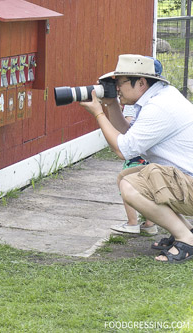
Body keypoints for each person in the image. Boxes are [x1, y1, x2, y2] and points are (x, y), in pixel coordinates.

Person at [80, 54, 193, 263]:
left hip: (190, 183)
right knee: (128, 175)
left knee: (131, 186)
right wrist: (112, 104)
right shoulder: (159, 97)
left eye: (120, 83)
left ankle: (186, 240)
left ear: (141, 82)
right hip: (186, 178)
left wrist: (98, 114)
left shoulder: (159, 107)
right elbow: (129, 138)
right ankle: (187, 230)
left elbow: (124, 150)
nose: (118, 89)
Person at [109, 103, 158, 235]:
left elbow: (128, 127)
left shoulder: (132, 104)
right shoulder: (152, 104)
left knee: (125, 183)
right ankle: (150, 224)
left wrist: (117, 111)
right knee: (149, 186)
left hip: (135, 154)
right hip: (149, 151)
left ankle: (132, 223)